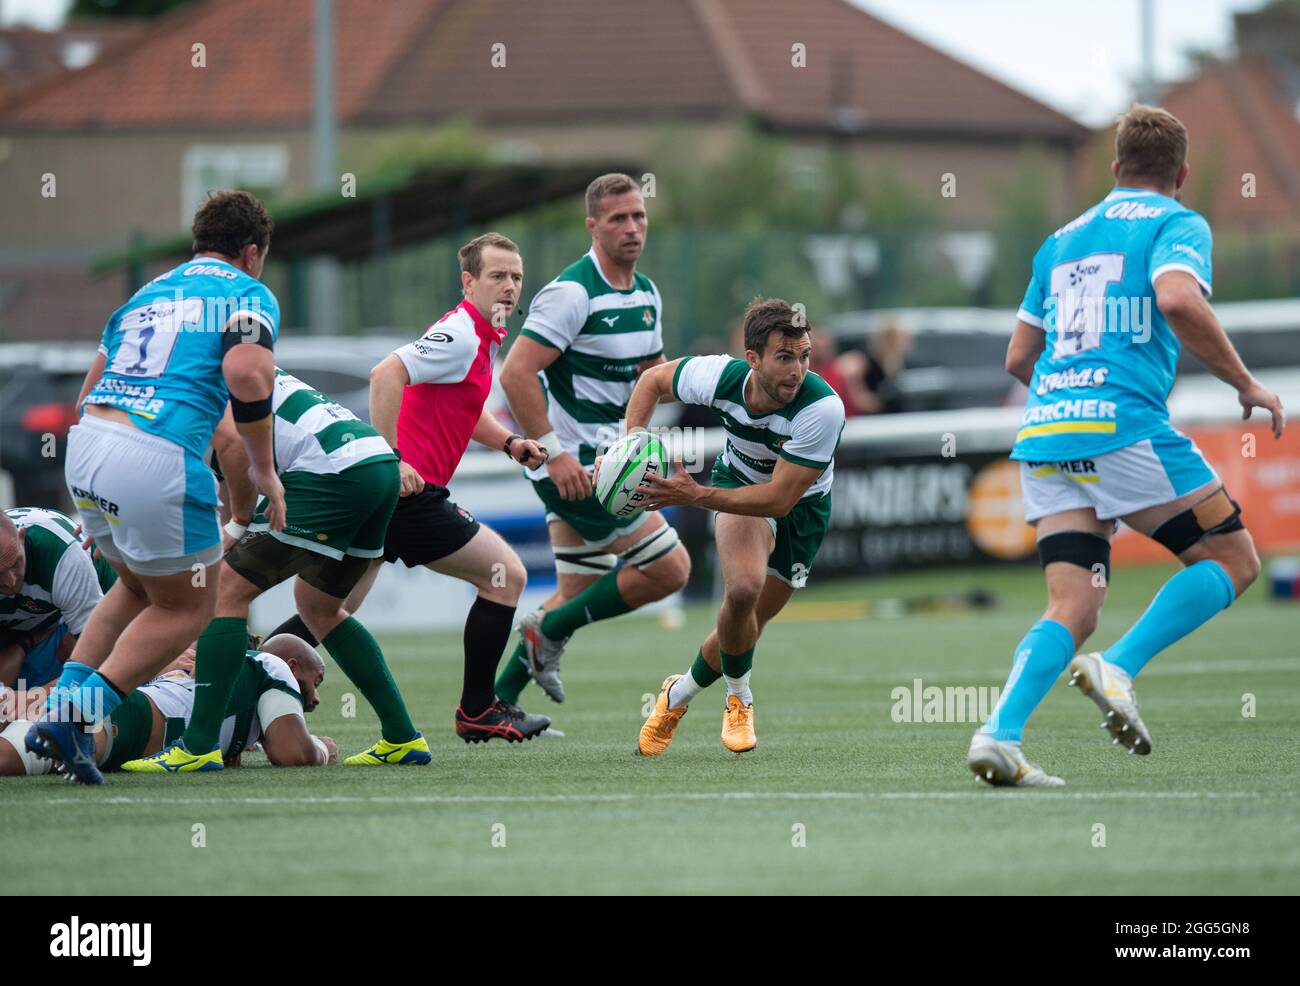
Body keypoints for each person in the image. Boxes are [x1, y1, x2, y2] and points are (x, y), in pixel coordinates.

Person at [967, 104, 1285, 787]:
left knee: (1071, 606)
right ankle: (1120, 666)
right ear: (1182, 174)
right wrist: (1246, 383)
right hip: (1123, 427)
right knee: (1235, 559)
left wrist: (1068, 401)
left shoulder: (1060, 240)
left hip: (1046, 433)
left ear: (1114, 169)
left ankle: (1000, 734)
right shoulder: (1177, 223)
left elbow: (1019, 355)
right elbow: (1177, 301)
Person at [27, 190, 286, 784]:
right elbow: (246, 373)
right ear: (251, 252)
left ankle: (56, 711)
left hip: (89, 444)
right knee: (192, 607)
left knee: (138, 589)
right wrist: (265, 471)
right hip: (155, 455)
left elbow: (88, 389)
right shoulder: (247, 292)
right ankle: (74, 719)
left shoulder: (147, 294)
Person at [266, 233, 553, 743]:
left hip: (381, 494)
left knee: (326, 609)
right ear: (468, 283)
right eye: (497, 277)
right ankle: (479, 710)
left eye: (516, 278)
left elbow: (462, 410)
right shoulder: (463, 333)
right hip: (404, 494)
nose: (509, 288)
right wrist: (393, 459)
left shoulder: (481, 340)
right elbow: (385, 374)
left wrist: (509, 442)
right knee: (503, 574)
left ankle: (247, 691)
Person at [120, 367, 426, 773]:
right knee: (318, 606)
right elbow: (232, 475)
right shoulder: (226, 367)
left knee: (224, 594)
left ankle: (197, 747)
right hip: (376, 465)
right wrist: (232, 529)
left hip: (331, 473)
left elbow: (229, 452)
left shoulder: (187, 385)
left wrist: (233, 529)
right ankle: (403, 737)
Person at [495, 173, 690, 706]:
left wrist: (661, 449)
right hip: (579, 469)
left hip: (612, 462)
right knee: (671, 569)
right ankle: (549, 630)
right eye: (618, 219)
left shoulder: (646, 293)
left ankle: (493, 707)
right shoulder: (572, 293)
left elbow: (652, 383)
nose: (632, 228)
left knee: (577, 592)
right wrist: (554, 455)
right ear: (592, 227)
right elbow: (515, 374)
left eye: (639, 216)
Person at [629, 298, 845, 755]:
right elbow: (652, 381)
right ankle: (739, 698)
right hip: (738, 482)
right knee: (743, 591)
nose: (797, 369)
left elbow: (780, 499)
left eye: (804, 356)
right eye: (785, 357)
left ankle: (677, 694)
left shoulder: (822, 408)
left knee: (751, 621)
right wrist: (633, 446)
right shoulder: (717, 376)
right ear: (753, 359)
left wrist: (697, 495)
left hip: (801, 507)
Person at [1, 634, 336, 776]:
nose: (316, 697)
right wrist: (321, 747)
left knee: (19, 730)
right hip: (128, 719)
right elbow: (293, 755)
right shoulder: (270, 666)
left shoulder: (244, 705)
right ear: (292, 667)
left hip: (125, 710)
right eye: (315, 681)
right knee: (8, 758)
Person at [0, 507, 116, 689]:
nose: (10, 581)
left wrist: (37, 699)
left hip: (80, 619)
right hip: (21, 629)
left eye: (15, 562)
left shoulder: (62, 554)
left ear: (21, 537)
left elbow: (100, 654)